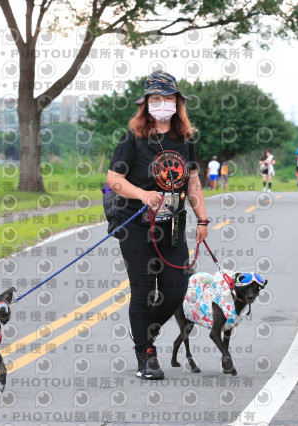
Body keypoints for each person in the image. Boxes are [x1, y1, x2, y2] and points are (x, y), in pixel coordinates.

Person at [106, 71, 209, 380]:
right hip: (136, 224)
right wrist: (143, 194)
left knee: (176, 289)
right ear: (146, 104)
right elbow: (113, 180)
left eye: (167, 98)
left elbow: (192, 181)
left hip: (173, 227)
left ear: (177, 102)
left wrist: (202, 218)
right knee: (143, 290)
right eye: (155, 98)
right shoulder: (134, 137)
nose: (161, 103)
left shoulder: (184, 139)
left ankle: (145, 334)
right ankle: (146, 354)